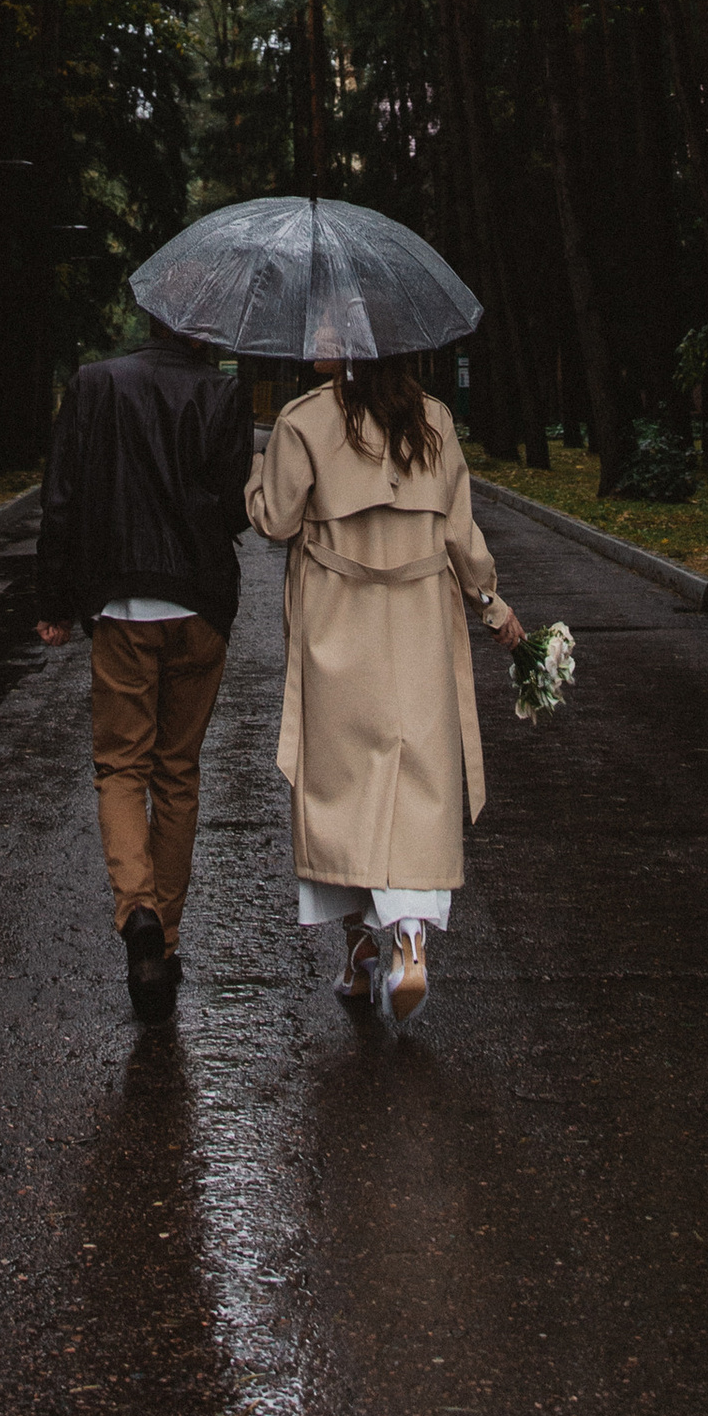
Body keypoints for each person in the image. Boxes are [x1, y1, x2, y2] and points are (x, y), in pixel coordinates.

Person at [245, 350, 524, 1026]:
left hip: (339, 627)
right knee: (416, 787)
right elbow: (460, 533)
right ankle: (405, 939)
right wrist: (491, 603)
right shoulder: (433, 420)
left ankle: (364, 950)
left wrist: (257, 474)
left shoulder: (305, 420)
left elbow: (275, 520)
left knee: (346, 795)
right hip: (421, 624)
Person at [36, 314, 252, 1023]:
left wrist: (56, 602)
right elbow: (232, 511)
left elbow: (61, 499)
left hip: (123, 604)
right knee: (178, 772)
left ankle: (138, 914)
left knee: (121, 767)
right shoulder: (223, 395)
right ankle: (170, 936)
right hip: (198, 607)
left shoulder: (96, 384)